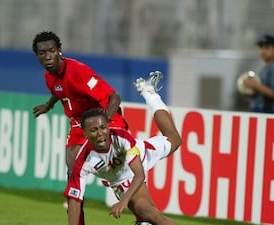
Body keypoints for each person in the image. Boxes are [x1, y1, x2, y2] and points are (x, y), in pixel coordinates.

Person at [31, 31, 128, 223]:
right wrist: (49, 105)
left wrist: (105, 124)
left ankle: (142, 213)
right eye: (42, 53)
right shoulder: (49, 77)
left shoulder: (79, 72)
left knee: (120, 174)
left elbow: (114, 97)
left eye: (52, 51)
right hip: (79, 123)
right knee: (72, 170)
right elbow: (60, 90)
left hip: (104, 119)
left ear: (60, 51)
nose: (48, 56)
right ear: (38, 56)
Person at [64, 71, 181, 225]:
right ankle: (143, 221)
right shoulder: (83, 161)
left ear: (108, 127)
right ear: (85, 134)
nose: (100, 134)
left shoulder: (120, 137)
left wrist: (123, 202)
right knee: (151, 215)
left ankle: (149, 92)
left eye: (103, 128)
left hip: (141, 154)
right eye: (93, 130)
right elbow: (75, 202)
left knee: (175, 140)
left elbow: (139, 174)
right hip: (123, 179)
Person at [244, 34, 274, 114]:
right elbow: (261, 93)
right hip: (261, 111)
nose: (263, 51)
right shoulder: (263, 69)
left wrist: (255, 85)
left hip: (272, 113)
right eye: (261, 47)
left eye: (267, 47)